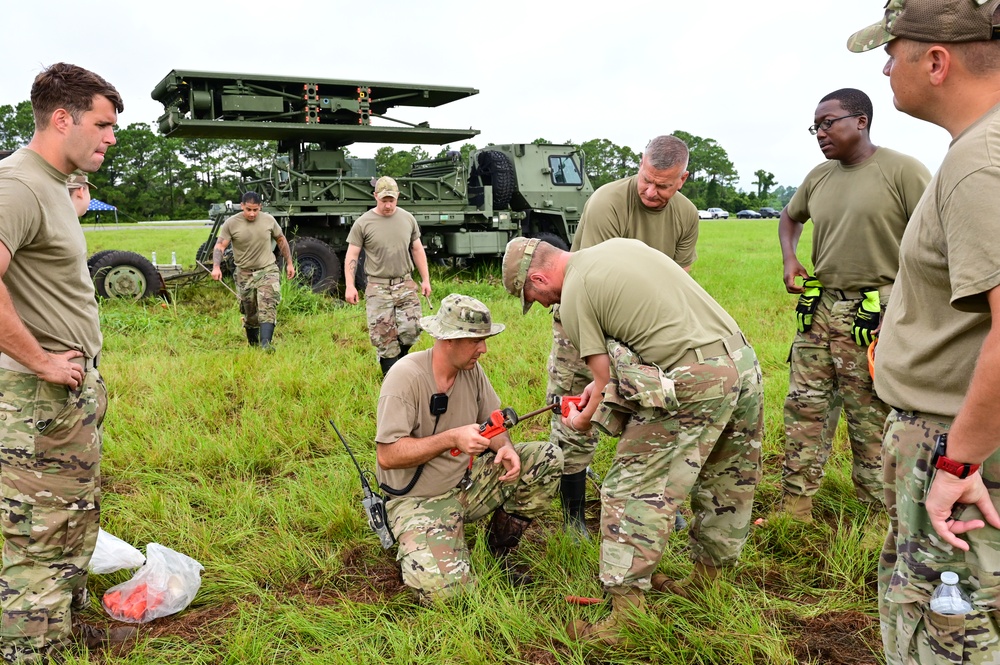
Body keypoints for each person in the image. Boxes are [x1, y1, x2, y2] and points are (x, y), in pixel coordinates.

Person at [503, 237, 763, 645]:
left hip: (694, 380)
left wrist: (581, 420)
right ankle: (706, 585)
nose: (538, 303)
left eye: (532, 295)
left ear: (538, 277)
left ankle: (625, 622)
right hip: (742, 364)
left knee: (630, 492)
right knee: (726, 481)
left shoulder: (571, 296)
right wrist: (598, 391)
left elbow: (606, 381)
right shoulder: (615, 250)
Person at [847, 2, 1000, 662]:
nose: (884, 66)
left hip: (955, 441)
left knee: (945, 628)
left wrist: (958, 460)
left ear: (936, 62)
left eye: (893, 50)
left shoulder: (977, 165)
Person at [0, 63, 134, 663]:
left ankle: (62, 622)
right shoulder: (18, 186)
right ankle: (33, 648)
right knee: (36, 534)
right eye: (103, 124)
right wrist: (42, 362)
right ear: (62, 118)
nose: (111, 136)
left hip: (66, 399)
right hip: (35, 397)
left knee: (72, 517)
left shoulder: (54, 185)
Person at [778, 88, 930, 522]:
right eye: (816, 126)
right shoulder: (819, 176)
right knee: (804, 404)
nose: (820, 133)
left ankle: (876, 512)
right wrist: (791, 259)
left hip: (873, 311)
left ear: (861, 120)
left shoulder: (902, 171)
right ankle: (796, 503)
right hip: (819, 307)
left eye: (829, 122)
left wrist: (900, 306)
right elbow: (790, 216)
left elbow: (933, 239)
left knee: (870, 413)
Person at [546, 135, 699, 536]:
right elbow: (591, 283)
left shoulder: (687, 216)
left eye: (663, 185)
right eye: (646, 179)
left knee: (660, 411)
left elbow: (678, 282)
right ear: (640, 165)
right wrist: (605, 370)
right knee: (577, 410)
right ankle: (572, 516)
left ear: (682, 179)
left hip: (645, 327)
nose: (650, 191)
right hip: (586, 318)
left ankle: (655, 501)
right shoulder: (606, 203)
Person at [374, 294, 563, 604]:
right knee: (448, 595)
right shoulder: (405, 378)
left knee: (546, 458)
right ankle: (430, 541)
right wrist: (451, 438)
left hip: (467, 484)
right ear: (449, 340)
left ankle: (499, 549)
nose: (484, 349)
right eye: (477, 341)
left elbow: (493, 422)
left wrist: (505, 449)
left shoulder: (471, 370)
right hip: (417, 500)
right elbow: (388, 455)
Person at [344, 176, 432, 376]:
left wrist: (425, 279)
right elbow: (352, 254)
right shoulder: (363, 223)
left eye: (391, 200)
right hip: (378, 286)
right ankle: (391, 379)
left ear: (398, 197)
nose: (388, 205)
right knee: (384, 337)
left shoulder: (408, 219)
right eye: (384, 200)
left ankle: (398, 361)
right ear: (375, 196)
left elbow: (417, 249)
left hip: (405, 283)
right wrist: (350, 285)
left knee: (412, 329)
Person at [211, 191, 295, 349]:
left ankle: (266, 344)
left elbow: (281, 239)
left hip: (267, 269)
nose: (251, 213)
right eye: (248, 209)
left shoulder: (268, 220)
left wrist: (289, 263)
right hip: (244, 273)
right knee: (250, 312)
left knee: (268, 304)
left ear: (260, 207)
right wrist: (216, 267)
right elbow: (220, 245)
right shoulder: (231, 223)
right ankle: (253, 343)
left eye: (255, 210)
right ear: (242, 206)